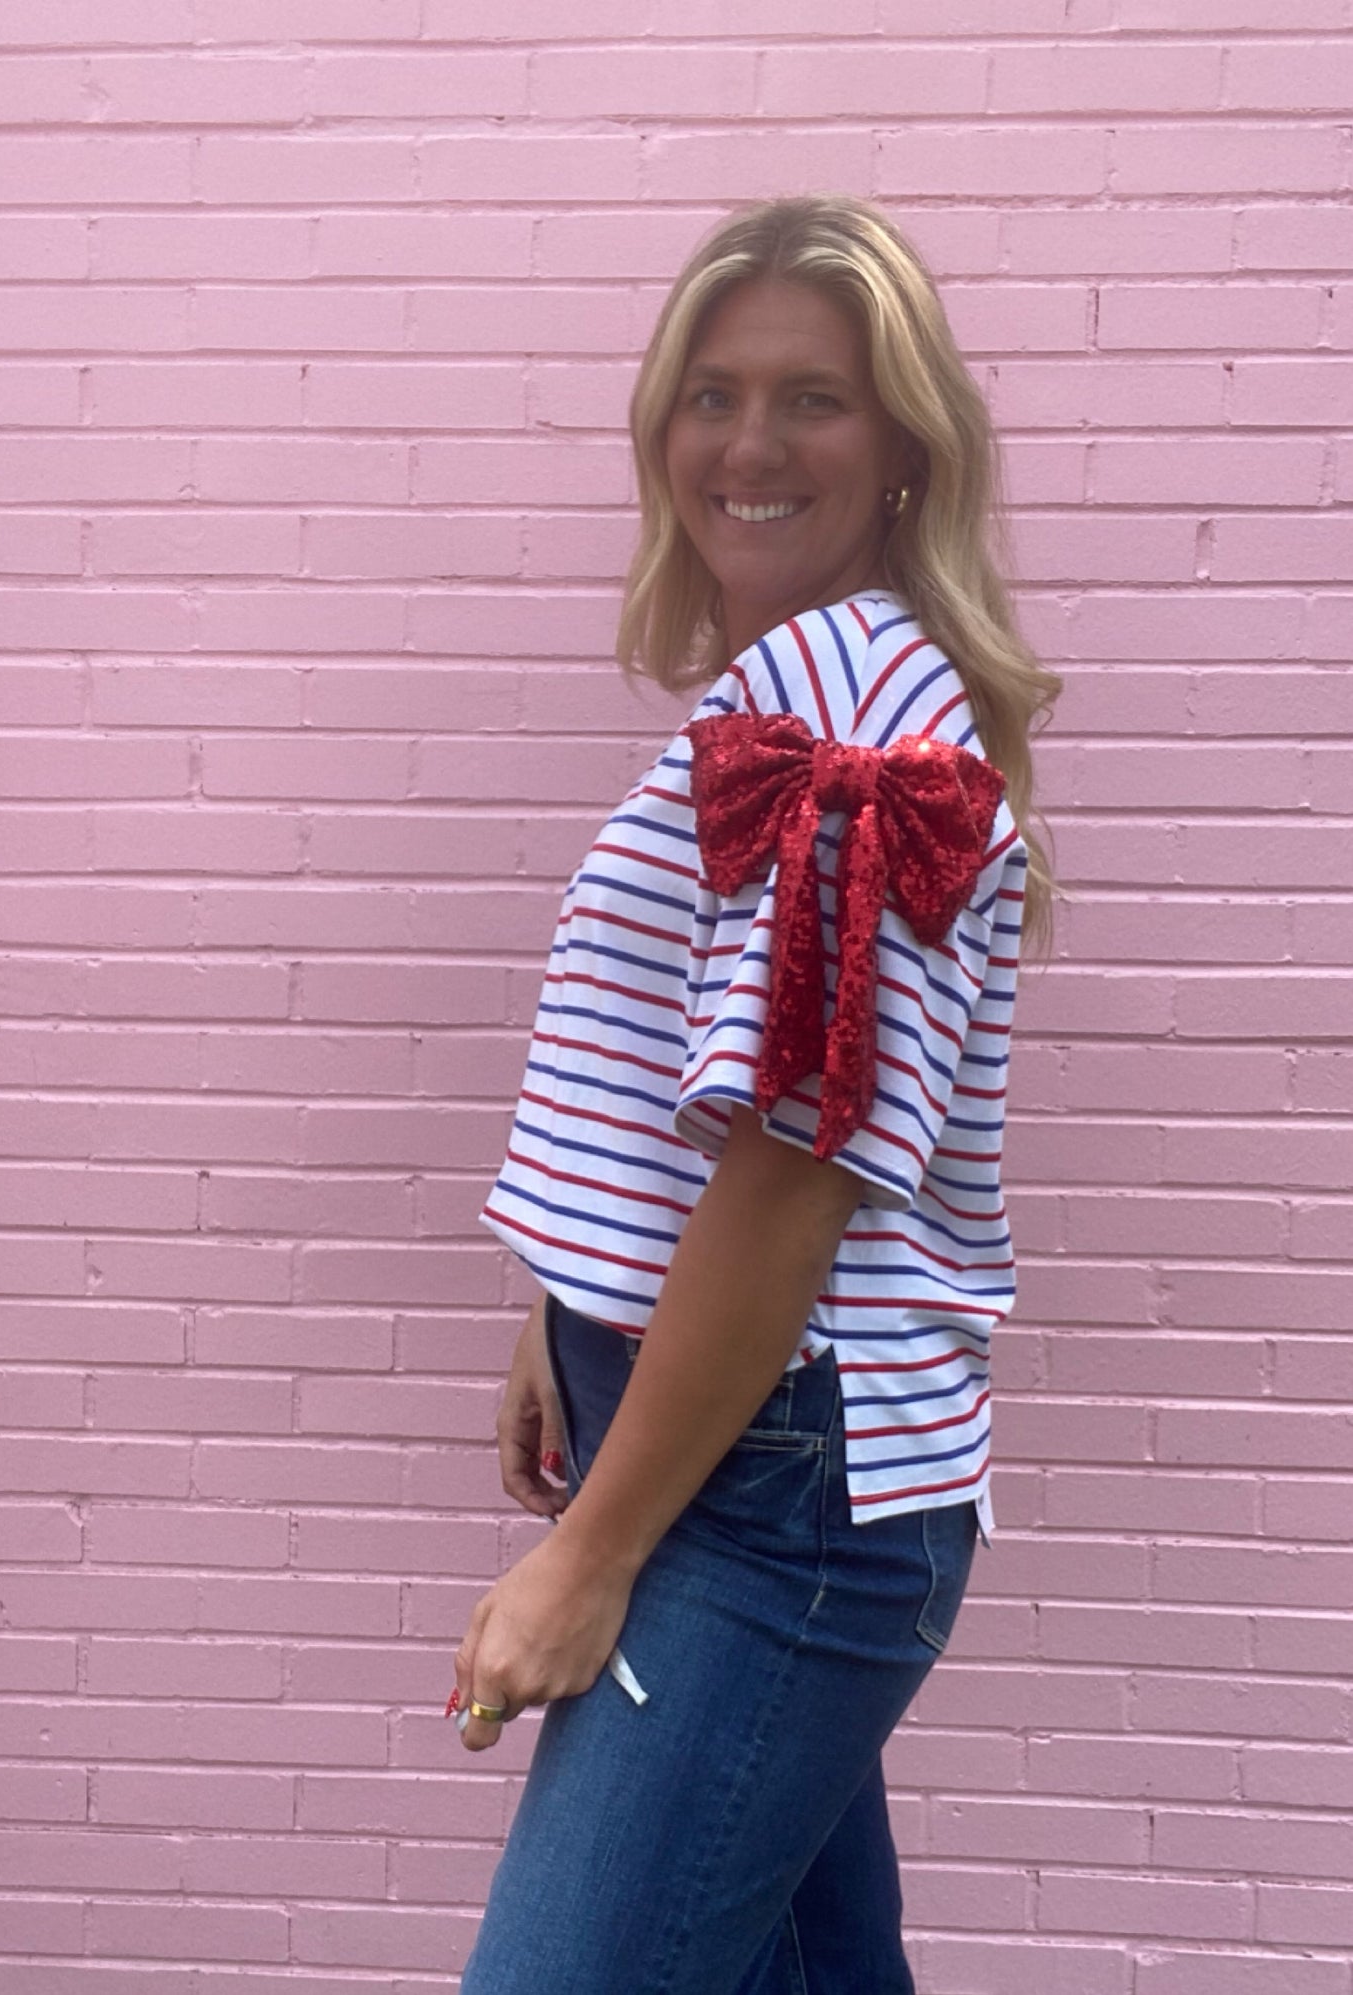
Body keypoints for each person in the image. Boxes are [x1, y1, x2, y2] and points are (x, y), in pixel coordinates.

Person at [449, 195, 1060, 1994]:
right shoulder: (783, 694)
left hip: (771, 1496)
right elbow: (682, 1090)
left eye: (814, 399)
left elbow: (800, 1171)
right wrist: (570, 1305)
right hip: (743, 1441)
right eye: (711, 393)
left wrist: (591, 1548)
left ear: (901, 450)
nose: (748, 443)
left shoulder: (857, 731)